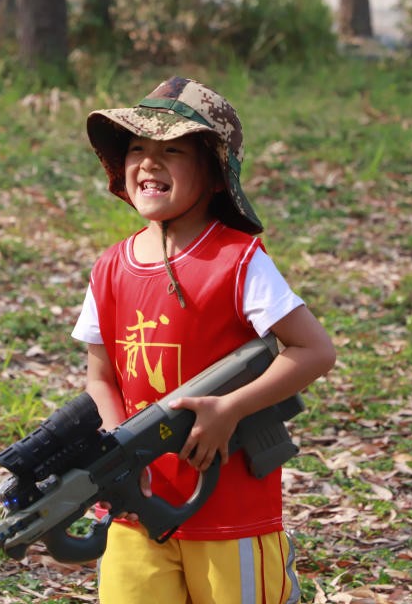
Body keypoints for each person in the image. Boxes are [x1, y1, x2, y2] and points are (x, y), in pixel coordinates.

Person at [72, 76, 336, 603]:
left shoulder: (237, 261)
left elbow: (314, 350)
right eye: (138, 149)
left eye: (172, 151)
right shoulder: (109, 268)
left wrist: (230, 409)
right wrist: (116, 449)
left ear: (214, 175)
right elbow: (100, 377)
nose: (148, 163)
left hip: (230, 511)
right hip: (133, 507)